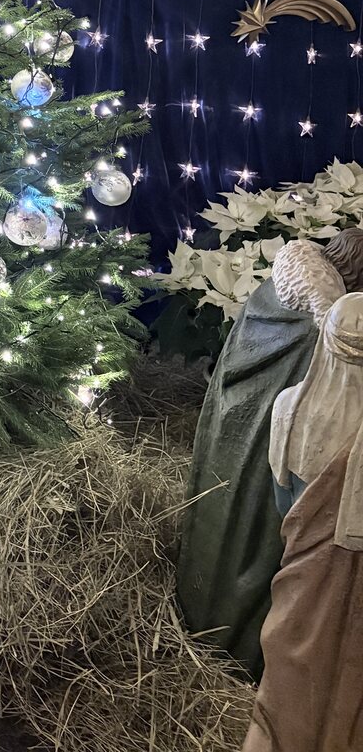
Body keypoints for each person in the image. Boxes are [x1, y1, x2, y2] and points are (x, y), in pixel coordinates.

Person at [175, 230, 363, 678]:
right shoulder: (324, 330)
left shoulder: (274, 291)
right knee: (263, 544)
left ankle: (209, 612)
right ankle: (252, 649)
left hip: (243, 440)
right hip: (284, 462)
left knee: (228, 526)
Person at [242, 293, 363, 751]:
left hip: (300, 569)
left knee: (291, 663)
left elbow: (283, 501)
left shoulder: (288, 406)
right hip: (352, 579)